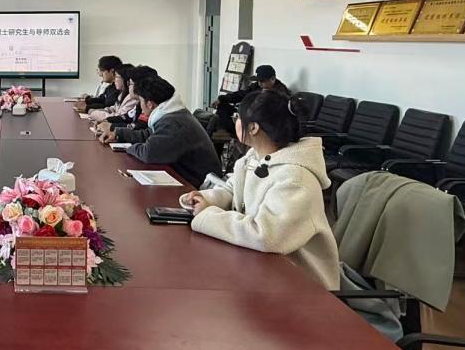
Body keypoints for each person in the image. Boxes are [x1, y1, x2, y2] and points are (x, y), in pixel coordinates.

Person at [183, 90, 339, 289]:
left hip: (302, 286)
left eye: (238, 117)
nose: (235, 121)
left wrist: (208, 215)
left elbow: (266, 235)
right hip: (265, 271)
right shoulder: (255, 157)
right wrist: (205, 199)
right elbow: (232, 191)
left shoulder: (296, 179)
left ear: (254, 127)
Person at [100, 76, 221, 187]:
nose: (140, 106)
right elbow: (148, 135)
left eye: (140, 101)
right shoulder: (172, 113)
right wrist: (118, 133)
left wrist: (128, 148)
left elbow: (148, 153)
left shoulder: (173, 122)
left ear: (150, 104)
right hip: (184, 175)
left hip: (197, 186)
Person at [215, 65, 291, 137]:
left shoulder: (280, 93)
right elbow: (242, 94)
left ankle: (239, 134)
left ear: (272, 79)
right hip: (247, 115)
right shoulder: (257, 86)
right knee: (222, 106)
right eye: (258, 81)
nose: (260, 84)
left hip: (261, 123)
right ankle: (225, 133)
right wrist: (222, 98)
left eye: (262, 81)